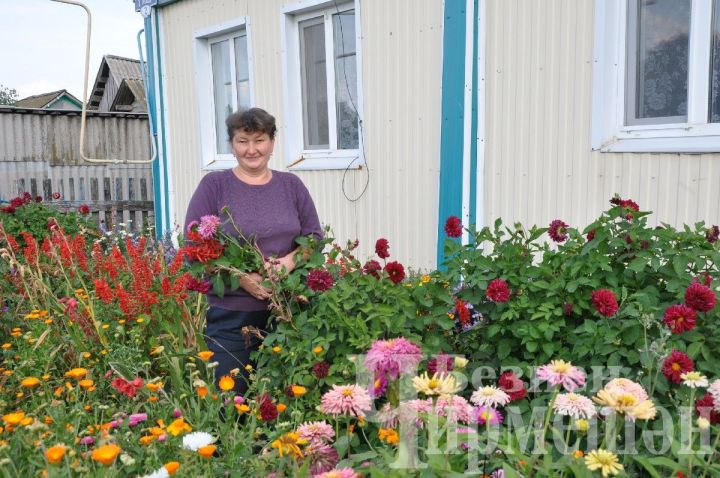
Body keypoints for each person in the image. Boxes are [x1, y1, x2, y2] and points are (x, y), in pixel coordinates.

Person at [184, 107, 322, 395]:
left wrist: (289, 262)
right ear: (231, 145)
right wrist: (240, 277)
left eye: (259, 140)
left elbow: (313, 238)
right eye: (242, 141)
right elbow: (194, 246)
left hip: (289, 314)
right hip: (233, 318)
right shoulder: (215, 185)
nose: (251, 150)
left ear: (271, 142)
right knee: (232, 402)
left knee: (287, 399)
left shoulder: (291, 185)